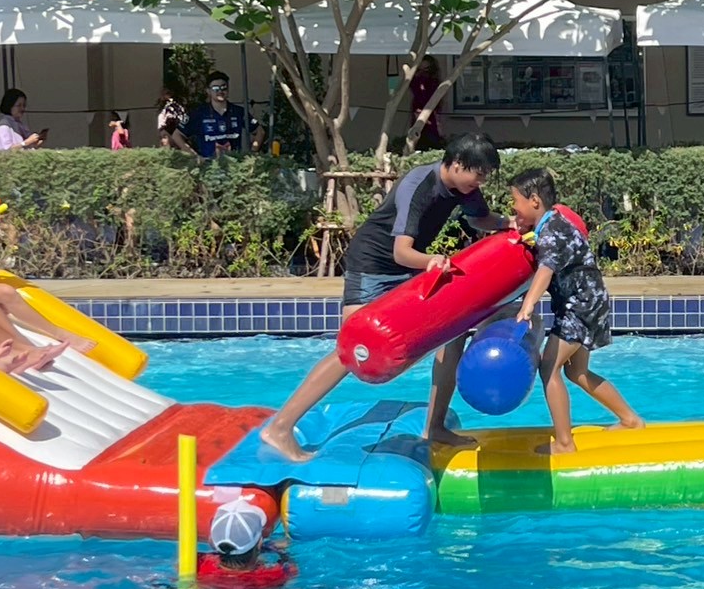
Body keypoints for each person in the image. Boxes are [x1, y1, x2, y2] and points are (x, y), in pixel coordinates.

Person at [261, 134, 513, 461]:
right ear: (456, 164)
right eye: (478, 174)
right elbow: (402, 251)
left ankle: (435, 426)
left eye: (485, 176)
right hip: (372, 265)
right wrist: (433, 260)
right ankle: (280, 428)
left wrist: (511, 223)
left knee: (453, 334)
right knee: (351, 350)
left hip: (406, 267)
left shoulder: (464, 188)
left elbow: (479, 218)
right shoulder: (419, 185)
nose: (480, 182)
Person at [511, 167, 643, 454]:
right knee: (577, 371)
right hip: (589, 301)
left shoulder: (551, 232)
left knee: (549, 367)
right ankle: (630, 420)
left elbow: (546, 269)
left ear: (534, 200)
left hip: (580, 307)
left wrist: (528, 304)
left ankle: (564, 443)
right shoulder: (553, 222)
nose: (513, 208)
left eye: (516, 201)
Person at [196, 495, 297, 589]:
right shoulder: (271, 577)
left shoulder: (198, 564)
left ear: (212, 541)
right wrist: (281, 553)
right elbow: (292, 571)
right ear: (259, 543)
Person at [172, 72, 265, 159]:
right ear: (208, 91)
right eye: (216, 88)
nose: (220, 91)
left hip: (234, 165)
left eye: (224, 87)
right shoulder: (199, 113)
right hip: (208, 166)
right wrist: (194, 156)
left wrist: (252, 153)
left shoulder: (238, 112)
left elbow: (260, 131)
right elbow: (177, 135)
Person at [409, 55, 445, 151]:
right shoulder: (416, 81)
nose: (423, 73)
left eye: (426, 70)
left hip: (431, 111)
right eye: (420, 70)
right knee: (417, 136)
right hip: (418, 110)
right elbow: (415, 89)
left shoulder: (433, 82)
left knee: (432, 136)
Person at [157, 80, 190, 150]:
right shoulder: (174, 105)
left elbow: (172, 119)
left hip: (169, 129)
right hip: (168, 129)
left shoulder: (172, 105)